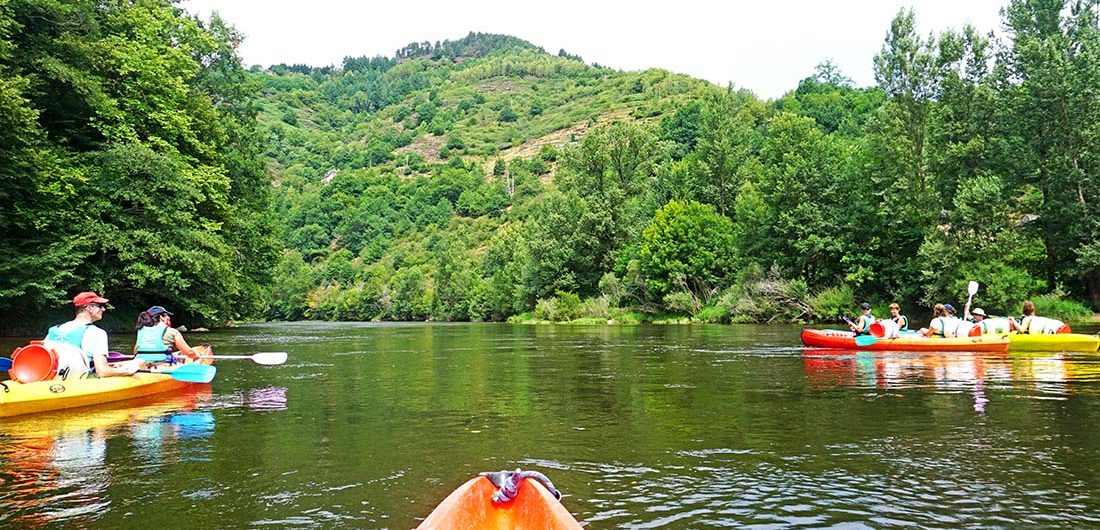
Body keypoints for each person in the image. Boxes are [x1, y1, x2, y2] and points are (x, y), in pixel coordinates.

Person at [43, 291, 145, 377]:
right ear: (89, 308)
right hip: (79, 380)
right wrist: (127, 370)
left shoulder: (54, 329)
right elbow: (102, 371)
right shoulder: (97, 333)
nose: (103, 309)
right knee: (138, 363)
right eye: (100, 306)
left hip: (53, 377)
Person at [134, 305, 199, 362]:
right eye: (167, 315)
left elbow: (135, 352)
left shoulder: (142, 331)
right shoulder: (172, 332)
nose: (169, 318)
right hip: (162, 365)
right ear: (161, 317)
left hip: (141, 365)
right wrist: (197, 355)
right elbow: (189, 353)